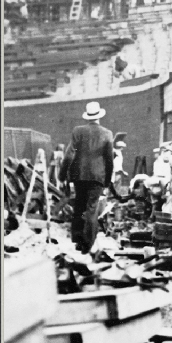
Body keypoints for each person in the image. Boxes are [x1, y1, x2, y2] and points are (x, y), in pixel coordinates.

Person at [60, 101, 115, 254]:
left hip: (79, 176)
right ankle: (88, 245)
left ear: (87, 116)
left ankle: (77, 241)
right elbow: (109, 160)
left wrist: (62, 174)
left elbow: (69, 154)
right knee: (92, 209)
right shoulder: (107, 134)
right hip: (97, 176)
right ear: (99, 116)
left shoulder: (78, 131)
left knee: (79, 206)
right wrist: (107, 180)